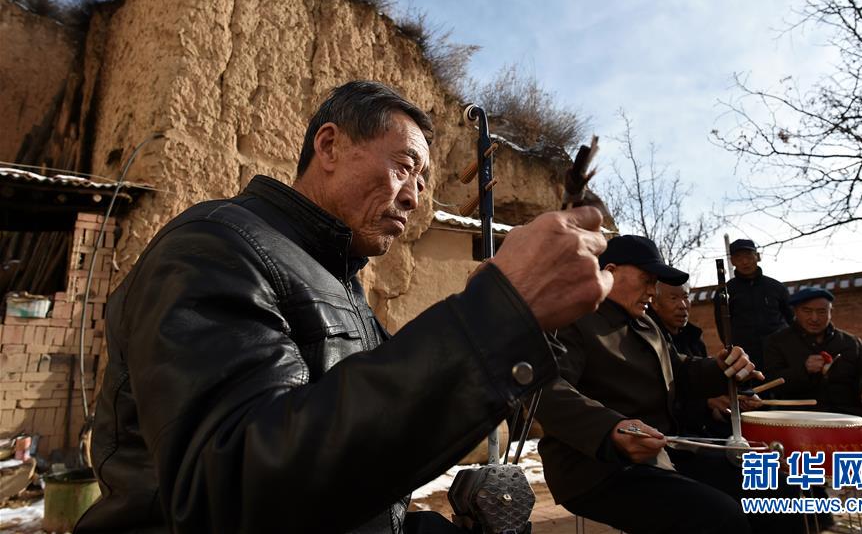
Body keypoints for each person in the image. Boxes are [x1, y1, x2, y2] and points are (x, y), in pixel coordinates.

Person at [75, 81, 614, 533]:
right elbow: (236, 487)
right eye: (404, 166)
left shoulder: (340, 281)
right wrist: (493, 318)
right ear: (329, 146)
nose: (414, 196)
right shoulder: (216, 247)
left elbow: (351, 456)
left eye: (422, 180)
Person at [536, 234, 797, 534]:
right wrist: (610, 429)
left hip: (663, 454)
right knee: (719, 517)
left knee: (775, 489)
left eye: (655, 283)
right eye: (646, 280)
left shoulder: (646, 324)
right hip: (598, 467)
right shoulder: (572, 319)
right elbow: (546, 388)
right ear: (610, 272)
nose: (653, 291)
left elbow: (678, 370)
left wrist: (721, 368)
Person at [765, 287, 862, 532]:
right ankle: (820, 522)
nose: (814, 318)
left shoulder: (850, 343)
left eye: (822, 311)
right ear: (795, 312)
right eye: (807, 311)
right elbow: (772, 384)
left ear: (830, 312)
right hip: (802, 421)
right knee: (796, 467)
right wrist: (803, 370)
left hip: (851, 419)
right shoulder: (777, 342)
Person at [647, 282, 759, 439]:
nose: (683, 305)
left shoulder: (693, 338)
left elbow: (707, 386)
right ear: (654, 303)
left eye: (686, 297)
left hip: (702, 429)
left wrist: (736, 398)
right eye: (673, 298)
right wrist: (706, 403)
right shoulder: (649, 340)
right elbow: (663, 397)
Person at [714, 238, 792, 371]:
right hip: (746, 357)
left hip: (779, 353)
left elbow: (790, 318)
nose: (744, 262)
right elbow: (723, 327)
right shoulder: (726, 292)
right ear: (732, 261)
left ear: (758, 257)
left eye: (749, 256)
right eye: (738, 258)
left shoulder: (776, 287)